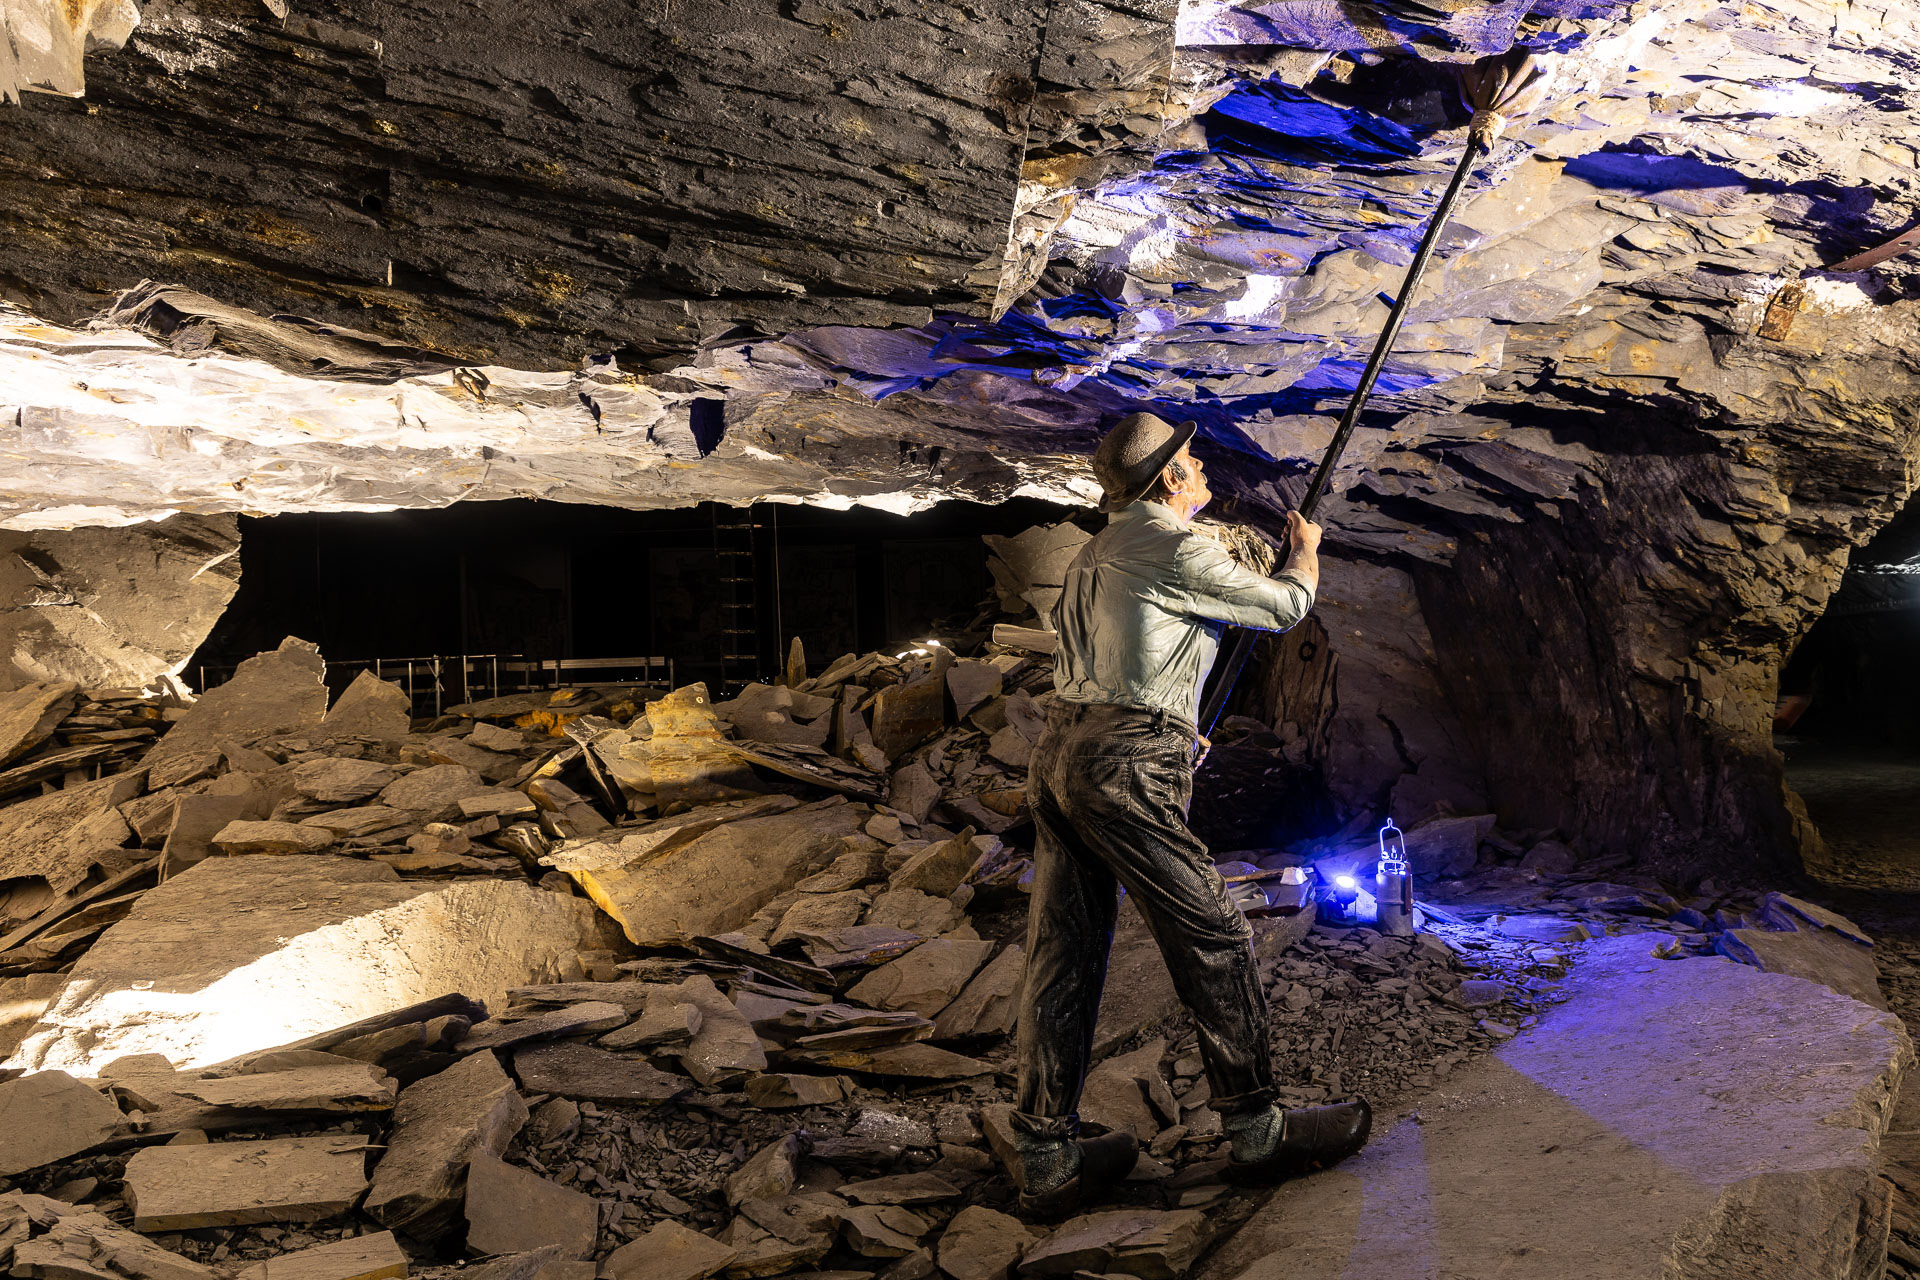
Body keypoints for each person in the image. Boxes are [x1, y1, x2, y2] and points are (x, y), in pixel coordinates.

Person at [1008, 411, 1372, 1216]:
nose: (1203, 472)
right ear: (1170, 480)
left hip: (1065, 753)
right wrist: (1306, 550)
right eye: (1194, 463)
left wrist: (1173, 726)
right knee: (1214, 932)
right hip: (1124, 764)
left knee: (1063, 953)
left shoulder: (1095, 554)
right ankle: (1258, 1131)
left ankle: (1046, 1155)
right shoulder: (1175, 545)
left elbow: (1126, 662)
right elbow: (1282, 608)